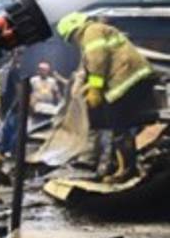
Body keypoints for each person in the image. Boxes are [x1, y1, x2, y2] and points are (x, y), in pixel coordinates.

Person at [56, 12, 159, 182]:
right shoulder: (97, 30)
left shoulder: (91, 31)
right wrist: (89, 86)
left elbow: (98, 60)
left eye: (71, 38)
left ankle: (126, 170)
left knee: (118, 124)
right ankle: (117, 165)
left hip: (127, 79)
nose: (74, 42)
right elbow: (100, 63)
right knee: (115, 122)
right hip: (131, 78)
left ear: (74, 30)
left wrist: (95, 88)